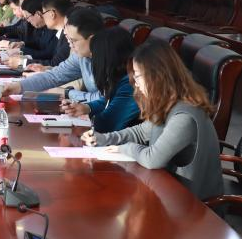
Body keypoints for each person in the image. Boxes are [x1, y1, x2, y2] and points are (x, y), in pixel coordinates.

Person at [83, 38, 222, 200]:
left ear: (158, 76)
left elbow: (152, 159)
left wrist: (124, 148)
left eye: (138, 76)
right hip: (169, 189)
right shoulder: (168, 102)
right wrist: (104, 139)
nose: (136, 84)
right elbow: (141, 132)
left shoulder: (184, 116)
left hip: (194, 203)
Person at [3, 8, 106, 116]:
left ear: (92, 40)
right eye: (68, 39)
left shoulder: (111, 58)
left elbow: (105, 99)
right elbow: (54, 76)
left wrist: (68, 93)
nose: (70, 45)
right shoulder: (80, 56)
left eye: (73, 40)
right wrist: (16, 87)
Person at [83, 27, 141, 134]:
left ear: (105, 57)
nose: (92, 59)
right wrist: (86, 108)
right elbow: (108, 102)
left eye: (94, 54)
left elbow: (107, 125)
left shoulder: (131, 84)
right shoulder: (120, 77)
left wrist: (83, 119)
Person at [22, 0, 73, 68]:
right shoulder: (61, 33)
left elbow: (55, 64)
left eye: (43, 13)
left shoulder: (68, 37)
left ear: (52, 14)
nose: (42, 16)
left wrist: (21, 62)